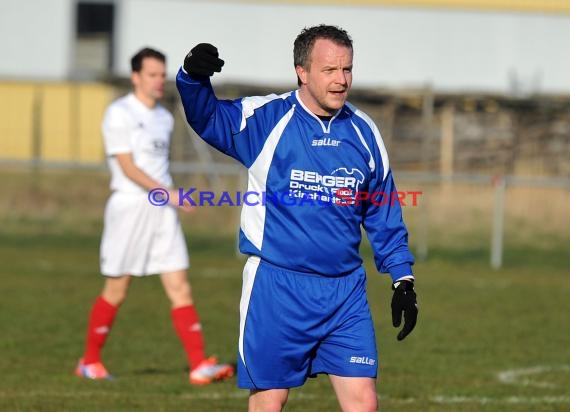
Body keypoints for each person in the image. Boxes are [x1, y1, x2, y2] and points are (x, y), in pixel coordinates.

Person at [177, 25, 418, 411]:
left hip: (345, 293)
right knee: (270, 400)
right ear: (302, 72)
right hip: (277, 288)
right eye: (330, 70)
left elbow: (383, 212)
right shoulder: (266, 119)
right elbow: (208, 118)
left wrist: (402, 278)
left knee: (364, 402)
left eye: (347, 70)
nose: (341, 81)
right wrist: (193, 78)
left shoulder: (365, 132)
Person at [75, 47, 234, 385]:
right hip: (131, 207)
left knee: (179, 285)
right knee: (117, 288)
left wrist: (171, 195)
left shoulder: (164, 116)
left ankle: (198, 365)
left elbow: (158, 170)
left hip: (163, 209)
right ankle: (89, 362)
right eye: (152, 74)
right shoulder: (119, 113)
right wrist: (170, 194)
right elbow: (128, 167)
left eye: (162, 74)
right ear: (136, 77)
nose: (159, 80)